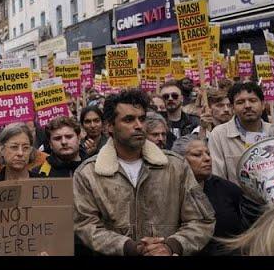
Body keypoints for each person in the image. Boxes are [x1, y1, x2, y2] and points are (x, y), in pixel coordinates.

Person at [73, 89, 215, 256]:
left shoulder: (175, 166)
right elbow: (85, 225)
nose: (138, 125)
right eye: (129, 120)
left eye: (142, 118)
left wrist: (170, 247)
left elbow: (201, 220)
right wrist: (129, 248)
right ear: (110, 126)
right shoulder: (89, 173)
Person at [171, 134, 244, 255]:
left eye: (208, 153)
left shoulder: (228, 189)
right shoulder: (169, 192)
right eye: (197, 155)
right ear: (179, 160)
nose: (207, 159)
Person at [208, 82, 272, 184]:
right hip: (237, 199)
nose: (247, 106)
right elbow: (218, 178)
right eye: (240, 102)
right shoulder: (219, 135)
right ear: (233, 108)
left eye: (253, 100)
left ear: (263, 105)